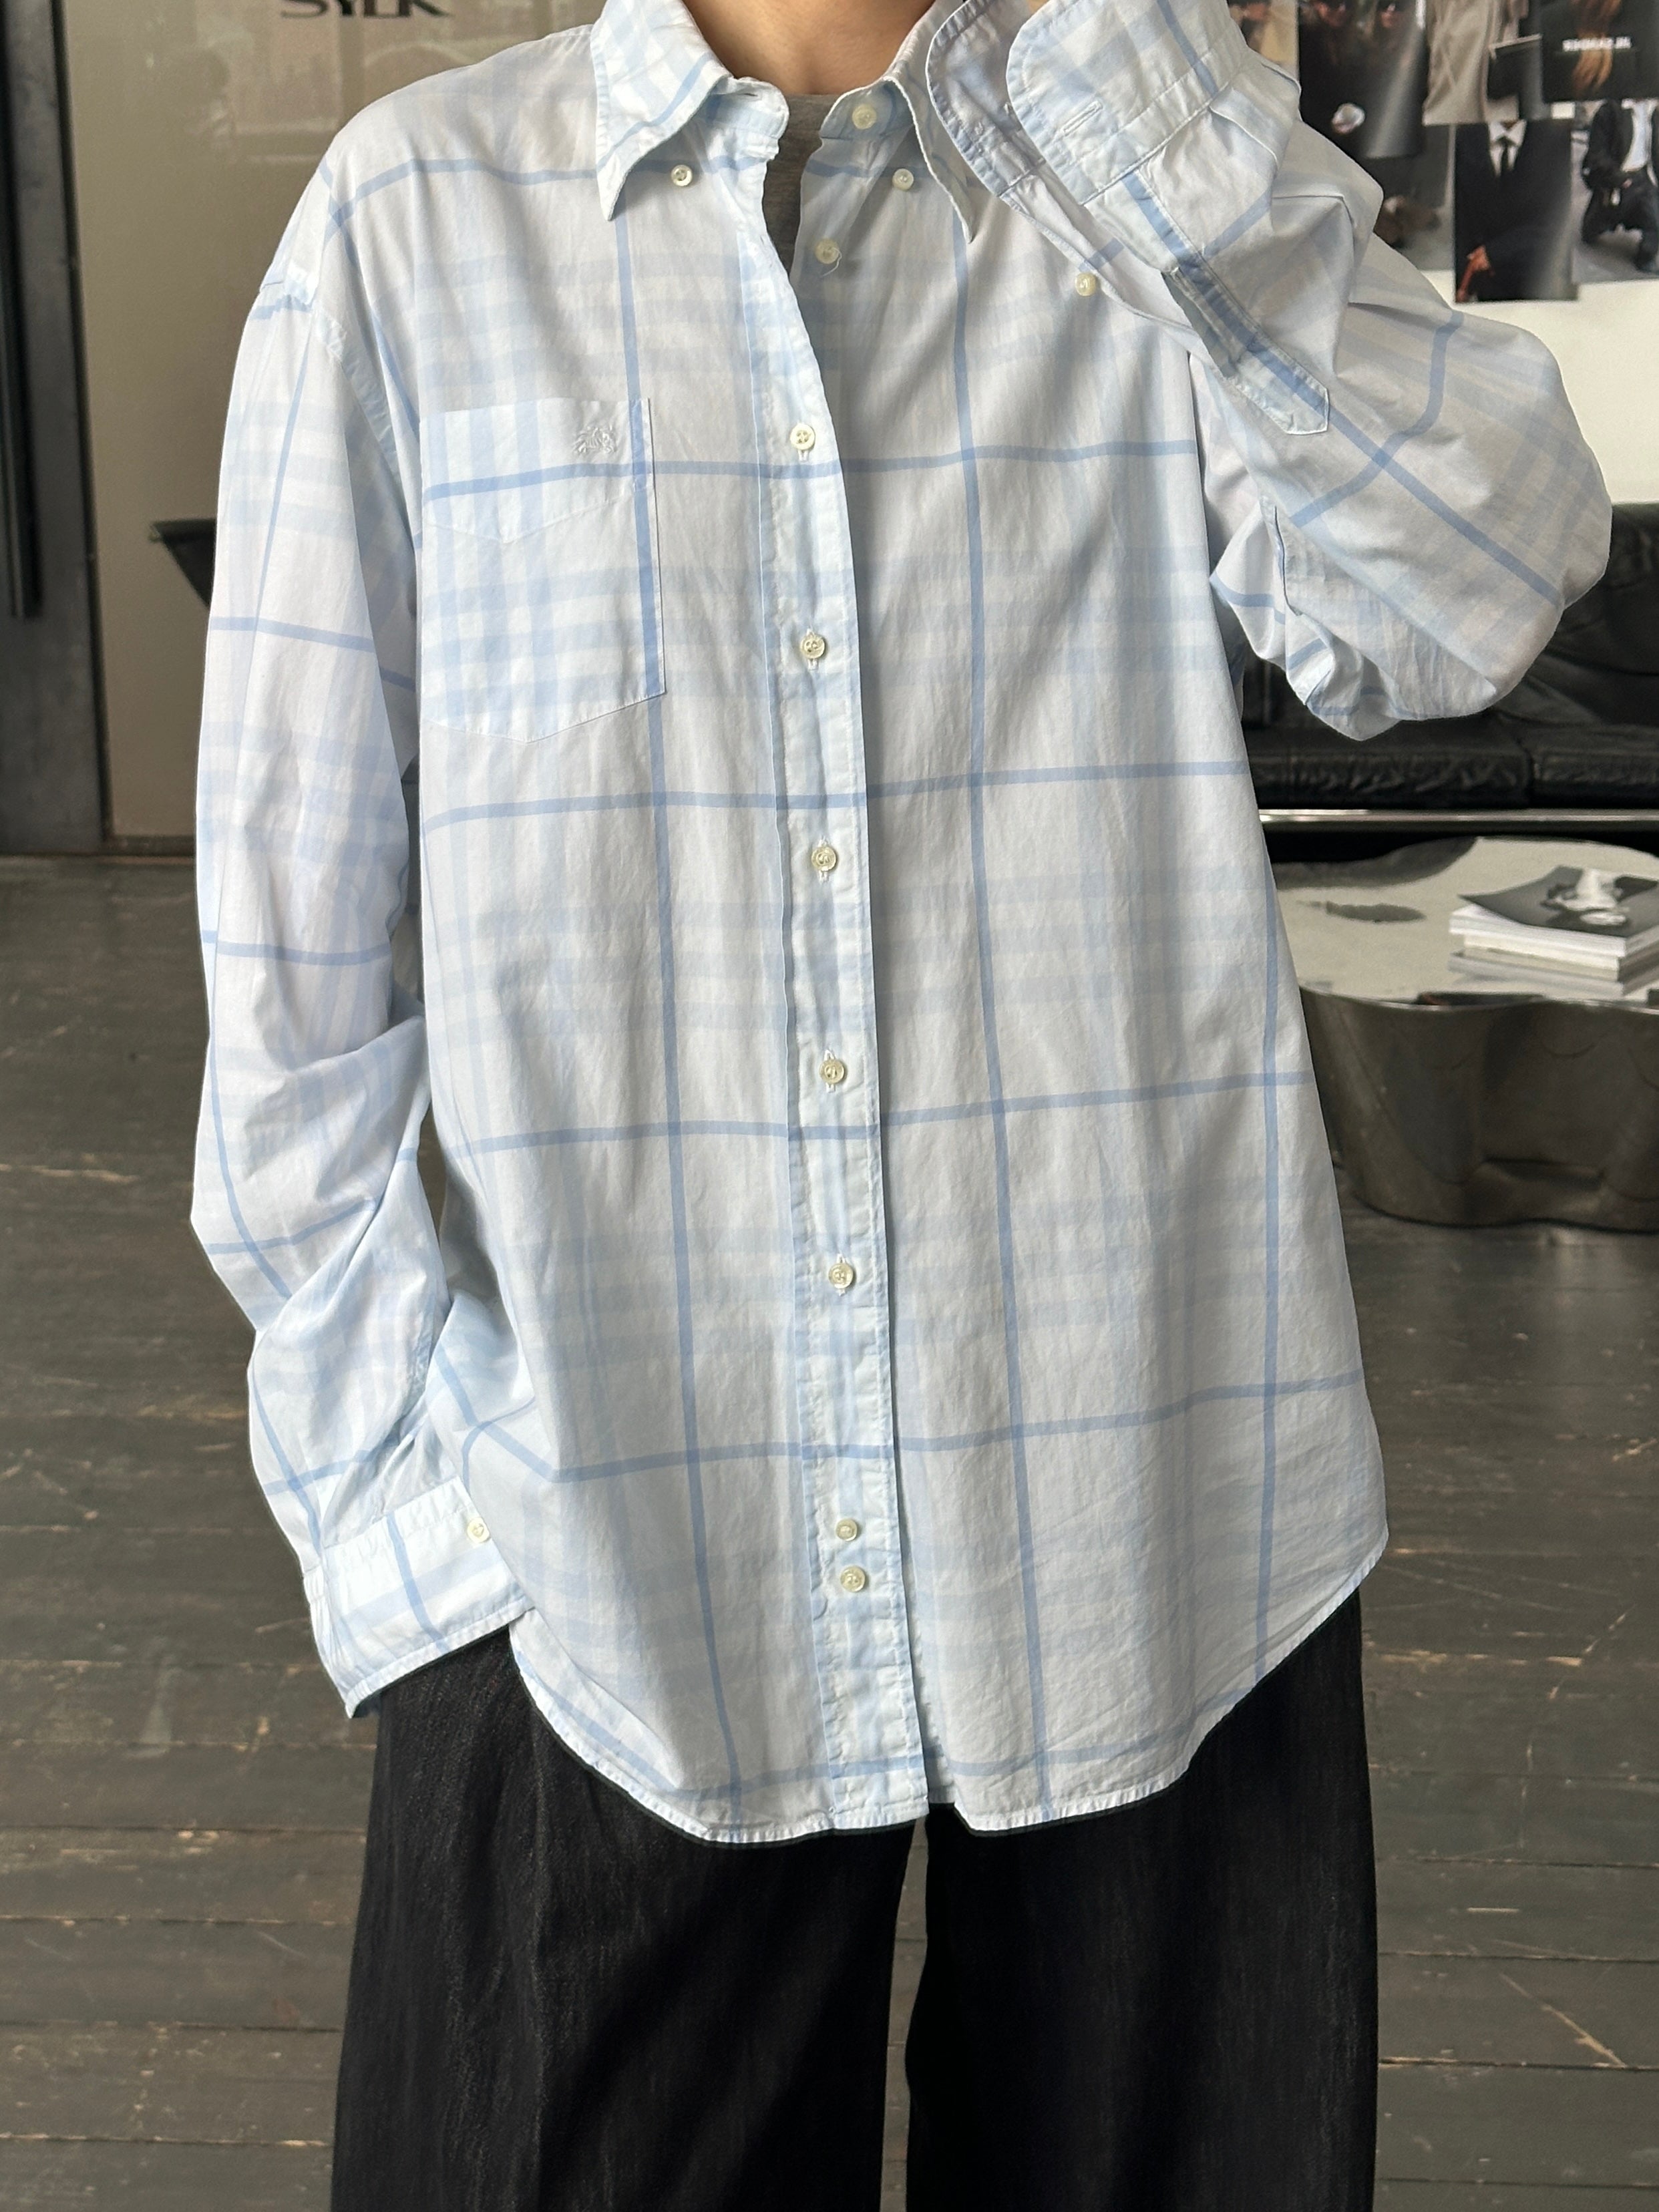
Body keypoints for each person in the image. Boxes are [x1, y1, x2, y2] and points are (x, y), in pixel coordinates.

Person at [190, 0, 1608, 2198]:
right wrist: (436, 1557)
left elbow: (1477, 584)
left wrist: (1134, 101)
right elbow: (294, 980)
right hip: (598, 1560)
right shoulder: (417, 223)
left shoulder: (1140, 187)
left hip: (1161, 1533)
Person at [1454, 116, 1576, 293]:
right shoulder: (1463, 137)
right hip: (1480, 284)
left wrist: (1496, 253)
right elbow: (1459, 220)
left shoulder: (1557, 138)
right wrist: (1460, 281)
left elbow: (1559, 223)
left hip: (1538, 278)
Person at [1581, 95, 1659, 268]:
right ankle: (1593, 225)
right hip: (1617, 178)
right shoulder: (1610, 111)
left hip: (1642, 176)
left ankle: (1645, 258)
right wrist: (1619, 178)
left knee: (1655, 218)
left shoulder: (1652, 110)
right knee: (1601, 218)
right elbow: (1596, 154)